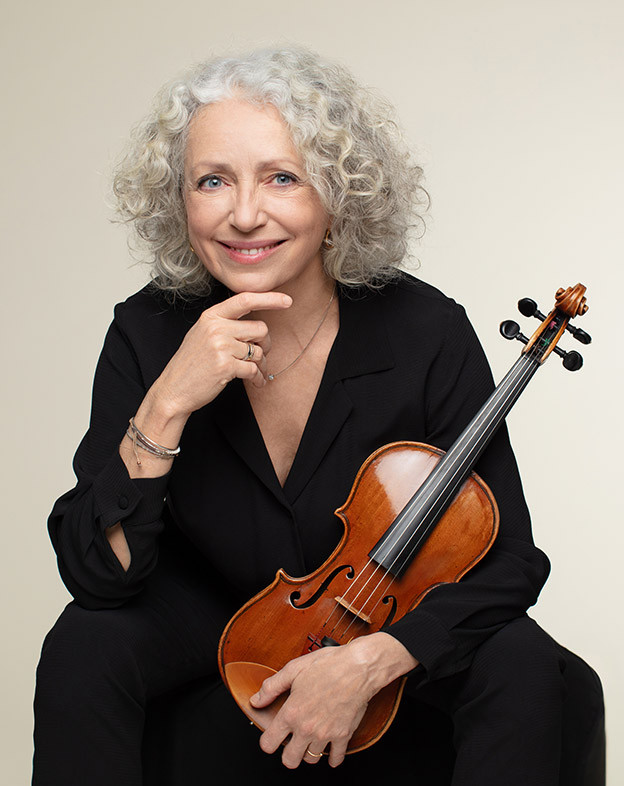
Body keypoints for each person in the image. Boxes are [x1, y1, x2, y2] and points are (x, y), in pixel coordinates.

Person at [33, 48, 604, 785]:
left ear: (337, 194)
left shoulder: (425, 331)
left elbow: (511, 560)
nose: (244, 214)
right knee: (83, 643)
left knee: (523, 660)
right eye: (213, 180)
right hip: (212, 609)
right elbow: (98, 576)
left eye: (282, 177)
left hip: (387, 617)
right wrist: (168, 400)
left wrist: (374, 659)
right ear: (180, 199)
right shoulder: (147, 331)